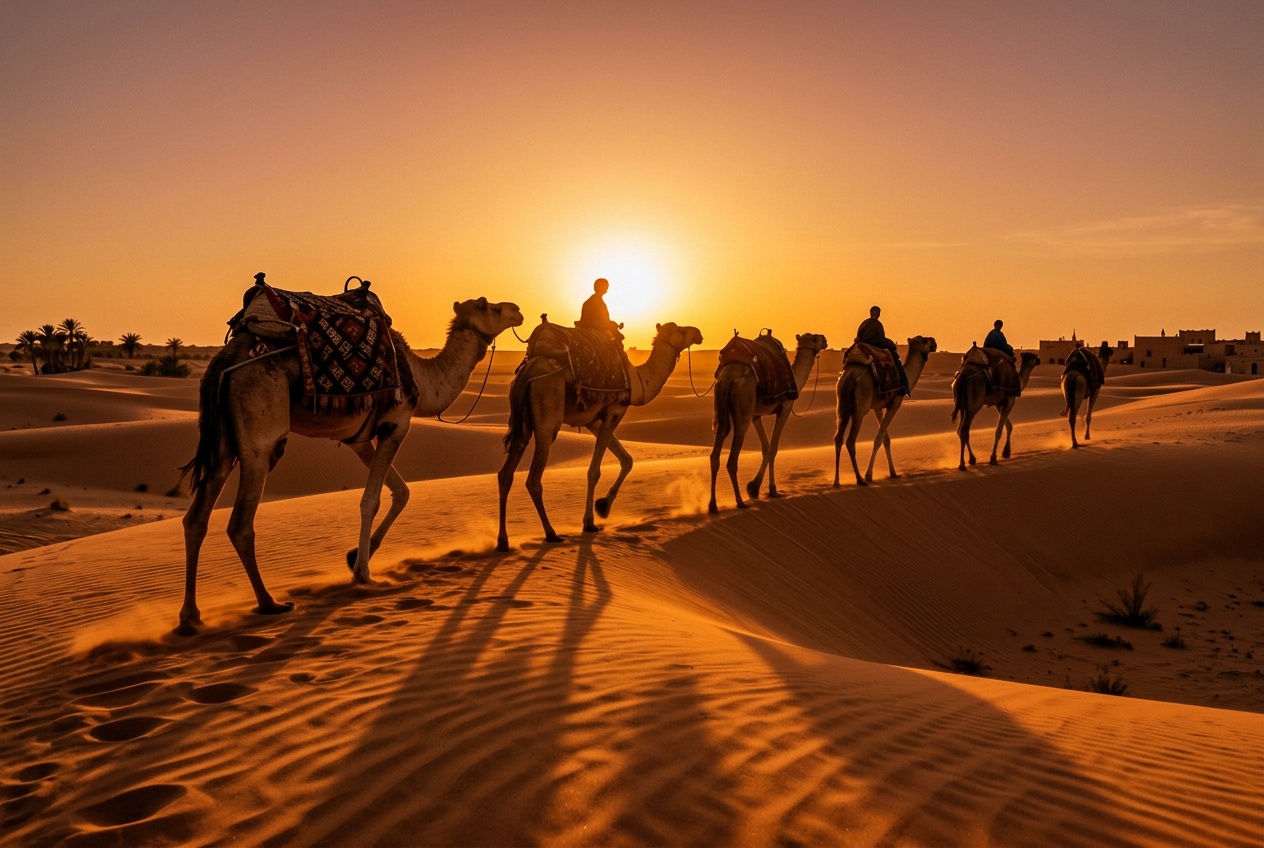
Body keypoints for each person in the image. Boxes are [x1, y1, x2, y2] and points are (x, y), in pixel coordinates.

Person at [856, 305, 909, 395]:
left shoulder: (863, 323)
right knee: (895, 359)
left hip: (863, 347)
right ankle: (903, 386)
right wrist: (891, 344)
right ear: (878, 314)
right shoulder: (877, 324)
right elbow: (881, 339)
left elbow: (858, 337)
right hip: (874, 347)